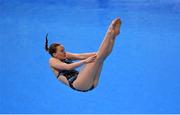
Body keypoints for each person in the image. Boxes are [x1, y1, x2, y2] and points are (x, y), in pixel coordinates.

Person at [45, 17, 121, 92]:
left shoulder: (65, 55)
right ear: (54, 54)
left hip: (89, 82)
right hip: (78, 83)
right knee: (97, 58)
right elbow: (68, 67)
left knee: (102, 56)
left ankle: (113, 36)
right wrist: (85, 61)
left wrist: (99, 52)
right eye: (62, 51)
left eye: (64, 50)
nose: (64, 52)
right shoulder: (52, 60)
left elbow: (80, 56)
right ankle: (109, 31)